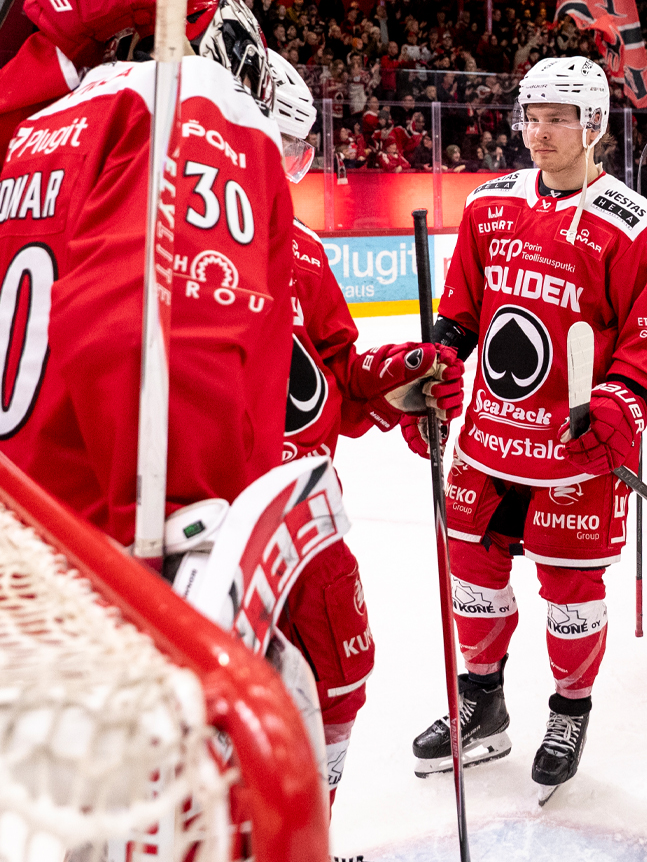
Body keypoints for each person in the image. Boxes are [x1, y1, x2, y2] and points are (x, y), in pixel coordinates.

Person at [0, 0, 295, 550]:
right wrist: (187, 529)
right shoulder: (188, 103)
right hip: (111, 561)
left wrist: (61, 32)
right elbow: (151, 329)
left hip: (0, 536)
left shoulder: (41, 134)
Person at [410, 56, 647, 802]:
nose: (540, 131)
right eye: (532, 115)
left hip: (571, 447)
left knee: (570, 589)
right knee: (473, 577)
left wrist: (622, 404)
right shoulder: (491, 205)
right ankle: (482, 701)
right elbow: (460, 313)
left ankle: (569, 710)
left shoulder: (635, 225)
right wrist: (434, 365)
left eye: (559, 116)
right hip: (491, 439)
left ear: (594, 124)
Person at [263, 48, 464, 796]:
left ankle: (310, 828)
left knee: (336, 677)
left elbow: (335, 382)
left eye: (273, 143)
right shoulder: (152, 240)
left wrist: (400, 379)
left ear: (302, 157)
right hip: (200, 516)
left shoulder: (307, 256)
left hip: (305, 509)